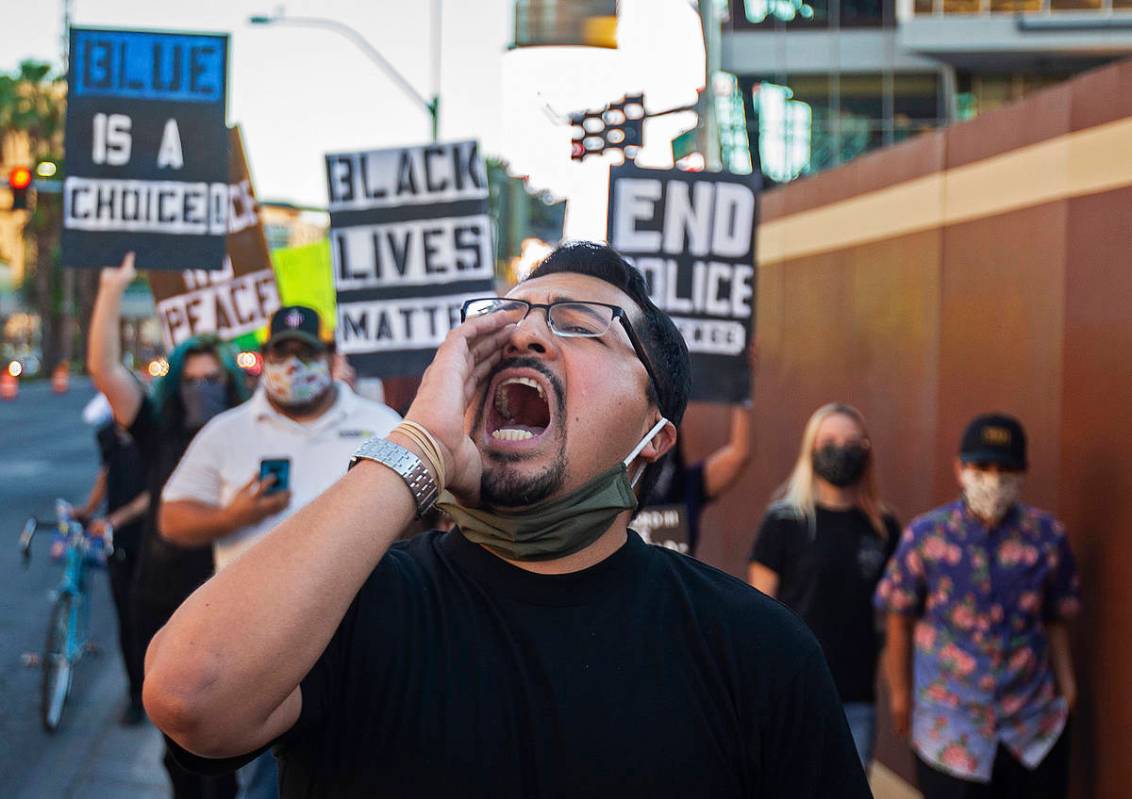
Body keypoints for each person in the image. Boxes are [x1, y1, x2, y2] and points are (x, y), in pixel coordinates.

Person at [143, 241, 870, 798]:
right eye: (502, 320)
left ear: (654, 438)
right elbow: (192, 694)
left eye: (583, 327)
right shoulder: (353, 606)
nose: (524, 336)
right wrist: (419, 446)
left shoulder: (759, 652)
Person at [159, 305, 400, 798]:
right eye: (281, 353)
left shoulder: (381, 424)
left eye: (305, 352)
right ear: (265, 358)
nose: (293, 366)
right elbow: (172, 519)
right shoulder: (227, 431)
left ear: (330, 358)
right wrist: (234, 517)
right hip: (254, 647)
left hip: (361, 641)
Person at [89, 252, 248, 799]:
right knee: (174, 747)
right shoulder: (158, 428)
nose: (201, 389)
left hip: (226, 602)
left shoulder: (251, 431)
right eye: (192, 379)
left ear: (229, 384)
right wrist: (112, 288)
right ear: (177, 382)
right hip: (157, 599)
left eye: (213, 380)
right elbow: (106, 372)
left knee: (220, 749)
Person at [875, 413, 1080, 798]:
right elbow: (898, 615)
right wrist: (900, 695)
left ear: (1023, 472)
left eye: (1005, 468)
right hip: (950, 728)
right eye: (982, 467)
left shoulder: (1047, 538)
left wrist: (1068, 688)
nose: (993, 478)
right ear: (960, 468)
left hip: (1031, 727)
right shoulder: (927, 535)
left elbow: (1056, 618)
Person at [748, 403, 899, 769]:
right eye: (829, 440)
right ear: (810, 449)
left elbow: (892, 618)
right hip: (793, 692)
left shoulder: (883, 528)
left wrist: (899, 690)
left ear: (866, 452)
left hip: (856, 698)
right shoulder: (783, 522)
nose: (840, 449)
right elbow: (758, 614)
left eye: (851, 442)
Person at [636, 343, 756, 555]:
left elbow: (739, 453)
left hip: (672, 588)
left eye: (666, 427)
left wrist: (741, 381)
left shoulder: (690, 484)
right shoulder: (617, 482)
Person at [75, 396, 150, 725]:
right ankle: (136, 693)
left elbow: (159, 488)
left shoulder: (154, 434)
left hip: (151, 541)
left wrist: (117, 518)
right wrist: (89, 510)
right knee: (126, 622)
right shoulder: (107, 435)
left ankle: (154, 687)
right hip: (118, 543)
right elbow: (106, 473)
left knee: (149, 620)